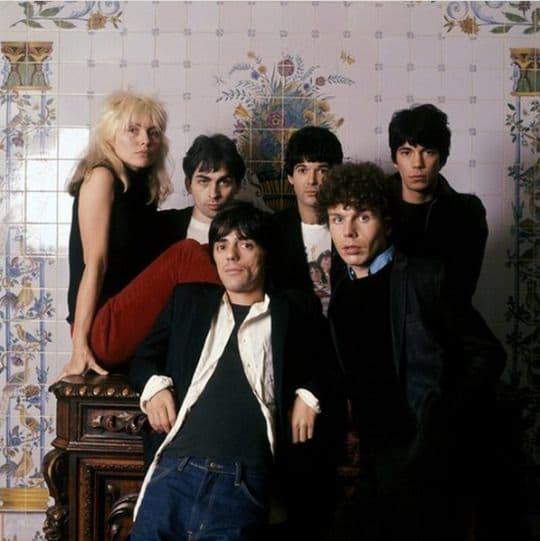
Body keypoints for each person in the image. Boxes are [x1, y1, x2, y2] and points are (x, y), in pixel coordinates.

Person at [317, 162, 506, 541]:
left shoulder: (424, 277)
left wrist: (440, 423)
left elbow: (487, 354)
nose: (348, 232)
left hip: (425, 458)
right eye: (337, 219)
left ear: (387, 224)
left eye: (362, 217)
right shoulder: (342, 286)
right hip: (373, 457)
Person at [128, 201, 335, 540]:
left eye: (245, 244)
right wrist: (154, 386)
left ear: (266, 253)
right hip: (174, 471)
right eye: (222, 246)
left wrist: (310, 393)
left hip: (243, 480)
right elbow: (143, 358)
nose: (231, 256)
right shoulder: (188, 301)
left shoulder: (294, 308)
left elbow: (332, 362)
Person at [59, 91, 220, 379]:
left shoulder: (141, 188)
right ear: (110, 135)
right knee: (187, 252)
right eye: (132, 130)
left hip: (129, 327)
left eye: (153, 132)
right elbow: (94, 265)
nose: (145, 140)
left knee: (212, 251)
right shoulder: (101, 177)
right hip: (100, 331)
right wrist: (79, 345)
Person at [388, 103, 488, 301]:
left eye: (428, 152)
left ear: (442, 159)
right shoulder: (374, 206)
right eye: (406, 152)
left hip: (445, 317)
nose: (417, 164)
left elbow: (460, 290)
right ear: (395, 159)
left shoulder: (467, 212)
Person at [272, 126, 343, 313]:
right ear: (290, 176)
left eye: (322, 170)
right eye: (302, 170)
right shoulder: (272, 229)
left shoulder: (350, 225)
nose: (312, 180)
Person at [155, 133, 244, 251]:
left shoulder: (257, 229)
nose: (214, 194)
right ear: (188, 185)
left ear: (238, 185)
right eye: (203, 181)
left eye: (224, 182)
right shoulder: (162, 226)